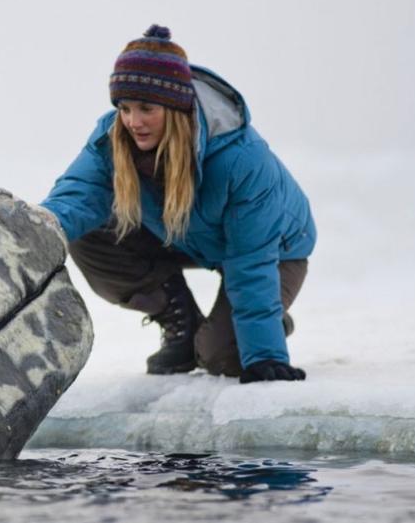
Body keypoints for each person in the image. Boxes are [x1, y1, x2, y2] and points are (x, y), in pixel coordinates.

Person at [39, 24, 316, 384]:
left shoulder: (241, 159)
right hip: (188, 234)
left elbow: (251, 261)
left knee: (220, 357)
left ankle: (264, 324)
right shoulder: (114, 136)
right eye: (123, 108)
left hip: (275, 250)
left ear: (175, 108)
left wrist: (264, 354)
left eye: (145, 108)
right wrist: (36, 230)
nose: (132, 122)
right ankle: (180, 322)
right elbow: (78, 195)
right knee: (89, 233)